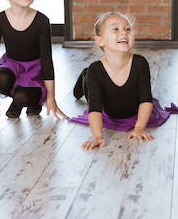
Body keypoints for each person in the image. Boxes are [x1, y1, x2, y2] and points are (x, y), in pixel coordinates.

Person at [69, 12, 170, 149]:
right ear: (100, 41)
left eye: (128, 29)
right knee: (91, 84)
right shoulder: (96, 70)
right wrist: (98, 136)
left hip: (132, 111)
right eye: (115, 29)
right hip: (104, 102)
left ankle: (86, 76)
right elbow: (95, 108)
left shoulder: (140, 63)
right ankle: (84, 77)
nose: (124, 33)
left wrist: (139, 127)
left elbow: (146, 100)